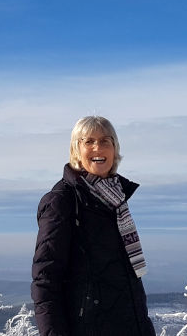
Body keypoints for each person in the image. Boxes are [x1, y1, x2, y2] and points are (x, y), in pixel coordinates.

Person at [31, 116, 156, 336]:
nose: (98, 147)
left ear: (114, 149)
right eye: (88, 141)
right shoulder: (63, 201)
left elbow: (128, 279)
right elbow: (45, 281)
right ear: (76, 149)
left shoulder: (116, 200)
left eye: (105, 141)